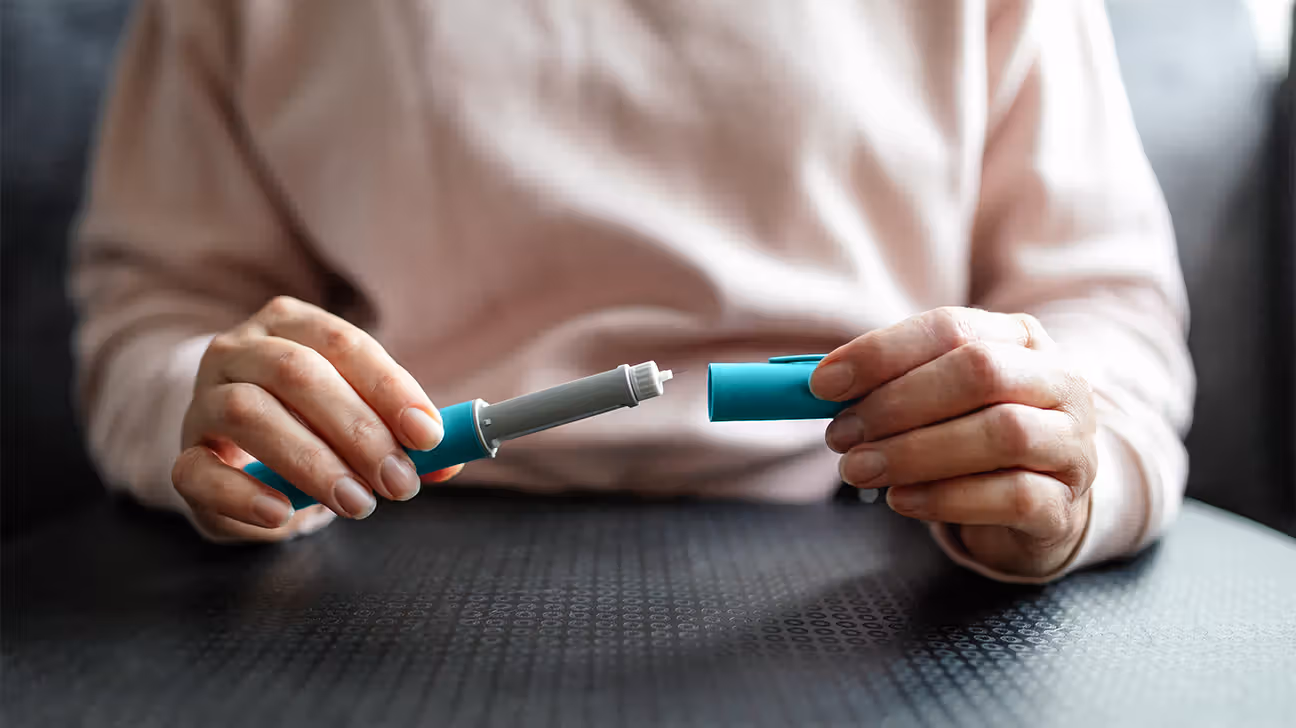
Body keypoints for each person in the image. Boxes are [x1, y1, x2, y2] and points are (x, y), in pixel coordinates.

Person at [71, 0, 1194, 583]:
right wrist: (226, 422)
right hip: (383, 540)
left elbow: (1106, 314)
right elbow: (159, 306)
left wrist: (1058, 467)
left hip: (883, 540)